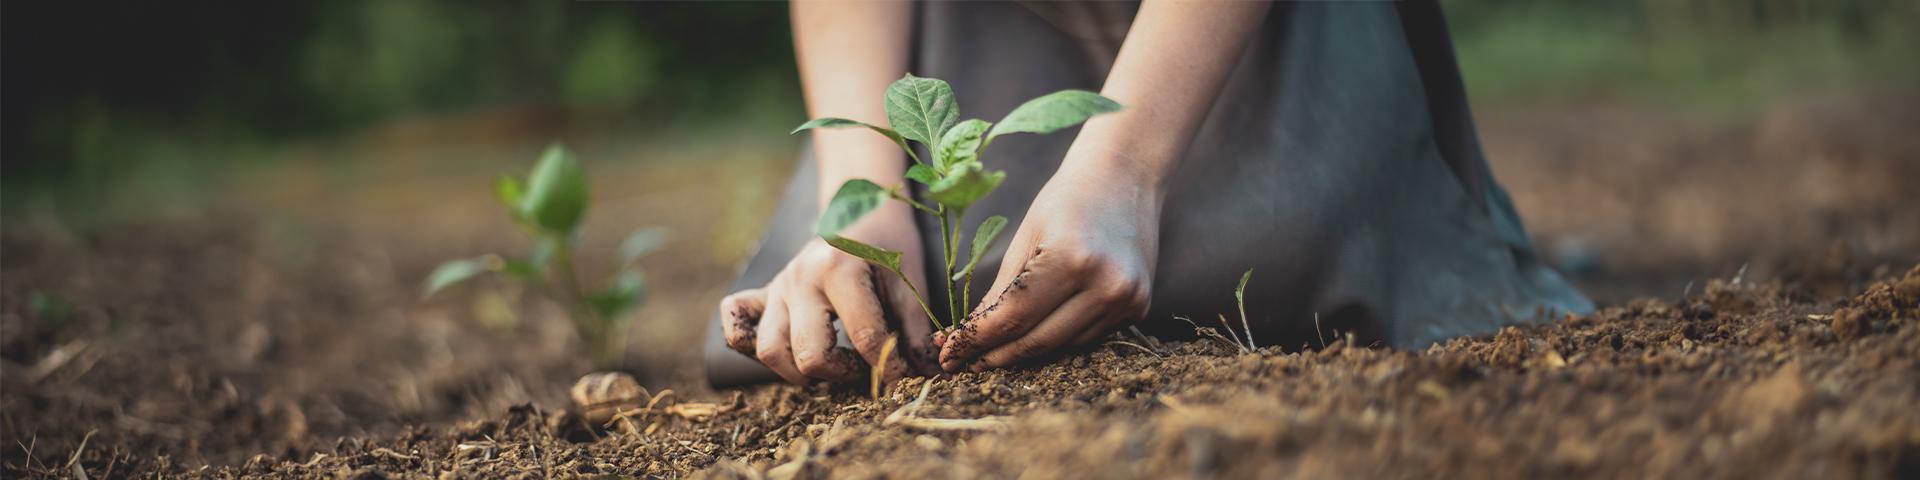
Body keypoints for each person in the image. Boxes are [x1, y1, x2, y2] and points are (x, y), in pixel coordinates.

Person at [703, 0, 1593, 387]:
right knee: (860, 292)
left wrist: (1127, 166)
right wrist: (862, 198)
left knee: (1273, 255)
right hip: (972, 28)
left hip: (1233, 35)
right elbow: (866, 201)